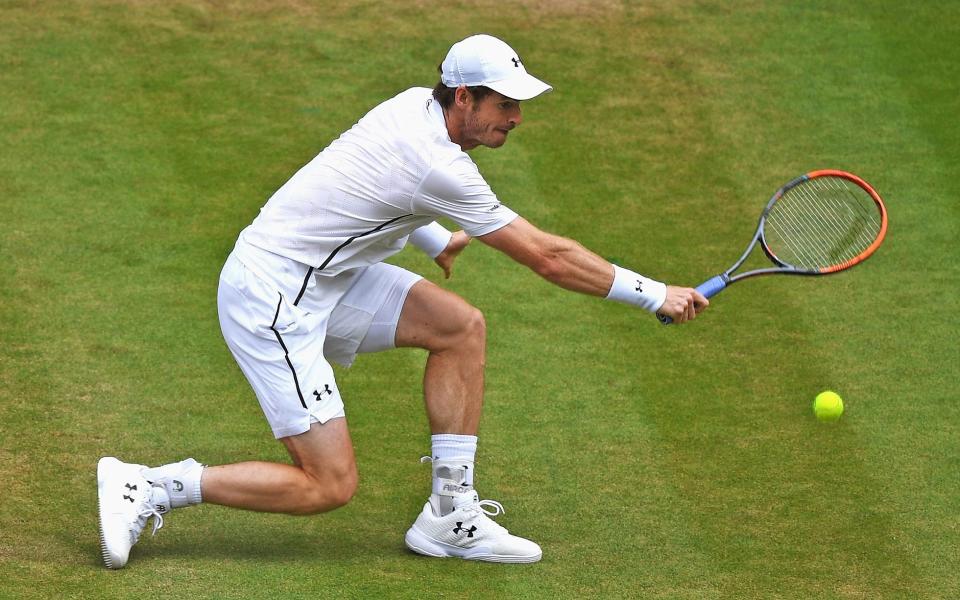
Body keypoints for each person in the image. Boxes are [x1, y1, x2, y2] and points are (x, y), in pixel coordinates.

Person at [97, 34, 708, 569]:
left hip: (327, 277)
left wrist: (437, 239)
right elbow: (546, 256)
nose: (517, 117)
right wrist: (655, 294)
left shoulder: (411, 105)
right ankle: (148, 486)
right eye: (504, 103)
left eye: (518, 104)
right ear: (463, 96)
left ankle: (449, 514)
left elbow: (371, 181)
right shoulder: (441, 165)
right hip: (275, 299)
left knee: (459, 327)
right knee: (328, 485)